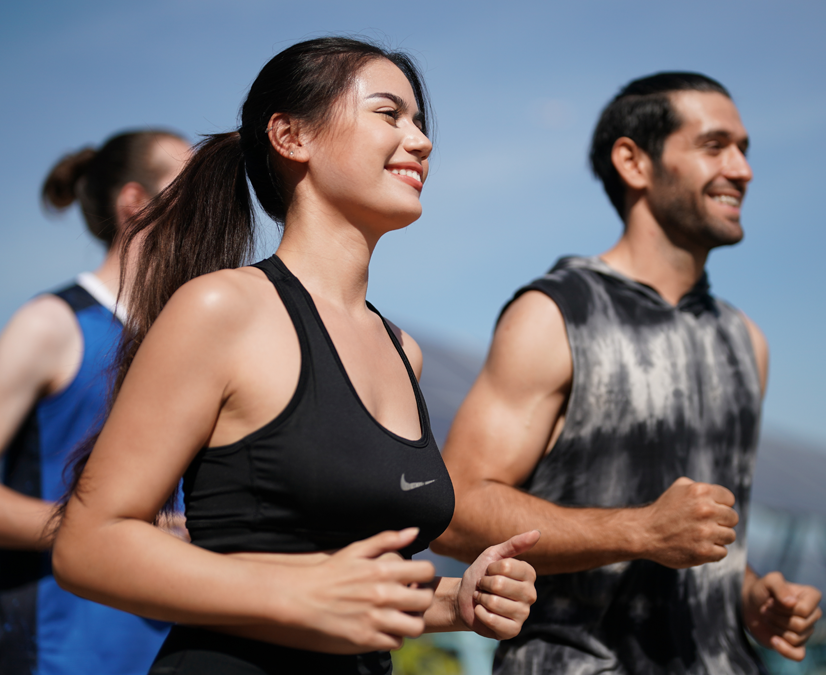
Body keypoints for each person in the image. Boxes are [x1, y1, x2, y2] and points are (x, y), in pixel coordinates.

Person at [50, 37, 539, 675]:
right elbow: (87, 545)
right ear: (290, 136)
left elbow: (352, 588)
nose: (420, 141)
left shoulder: (401, 351)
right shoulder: (223, 309)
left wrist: (454, 598)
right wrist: (292, 593)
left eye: (420, 123)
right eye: (389, 115)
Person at [432, 72, 823, 674]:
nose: (742, 169)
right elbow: (455, 510)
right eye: (714, 146)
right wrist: (640, 531)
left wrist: (747, 595)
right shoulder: (554, 314)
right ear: (633, 162)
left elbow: (691, 533)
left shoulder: (747, 341)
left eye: (744, 150)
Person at [0, 129, 191, 674]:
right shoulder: (53, 325)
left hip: (166, 656)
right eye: (190, 187)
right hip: (54, 654)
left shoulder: (185, 336)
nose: (212, 203)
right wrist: (106, 528)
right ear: (134, 203)